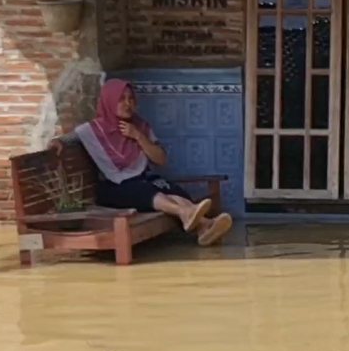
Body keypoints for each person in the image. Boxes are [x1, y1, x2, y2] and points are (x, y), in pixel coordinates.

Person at [48, 78, 233, 247]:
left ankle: (202, 226)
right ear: (109, 101)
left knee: (172, 190)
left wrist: (137, 136)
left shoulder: (140, 126)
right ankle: (191, 217)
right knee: (147, 190)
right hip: (112, 189)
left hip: (141, 181)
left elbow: (161, 159)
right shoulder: (91, 130)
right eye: (122, 99)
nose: (128, 104)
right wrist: (56, 142)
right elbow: (67, 139)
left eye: (131, 99)